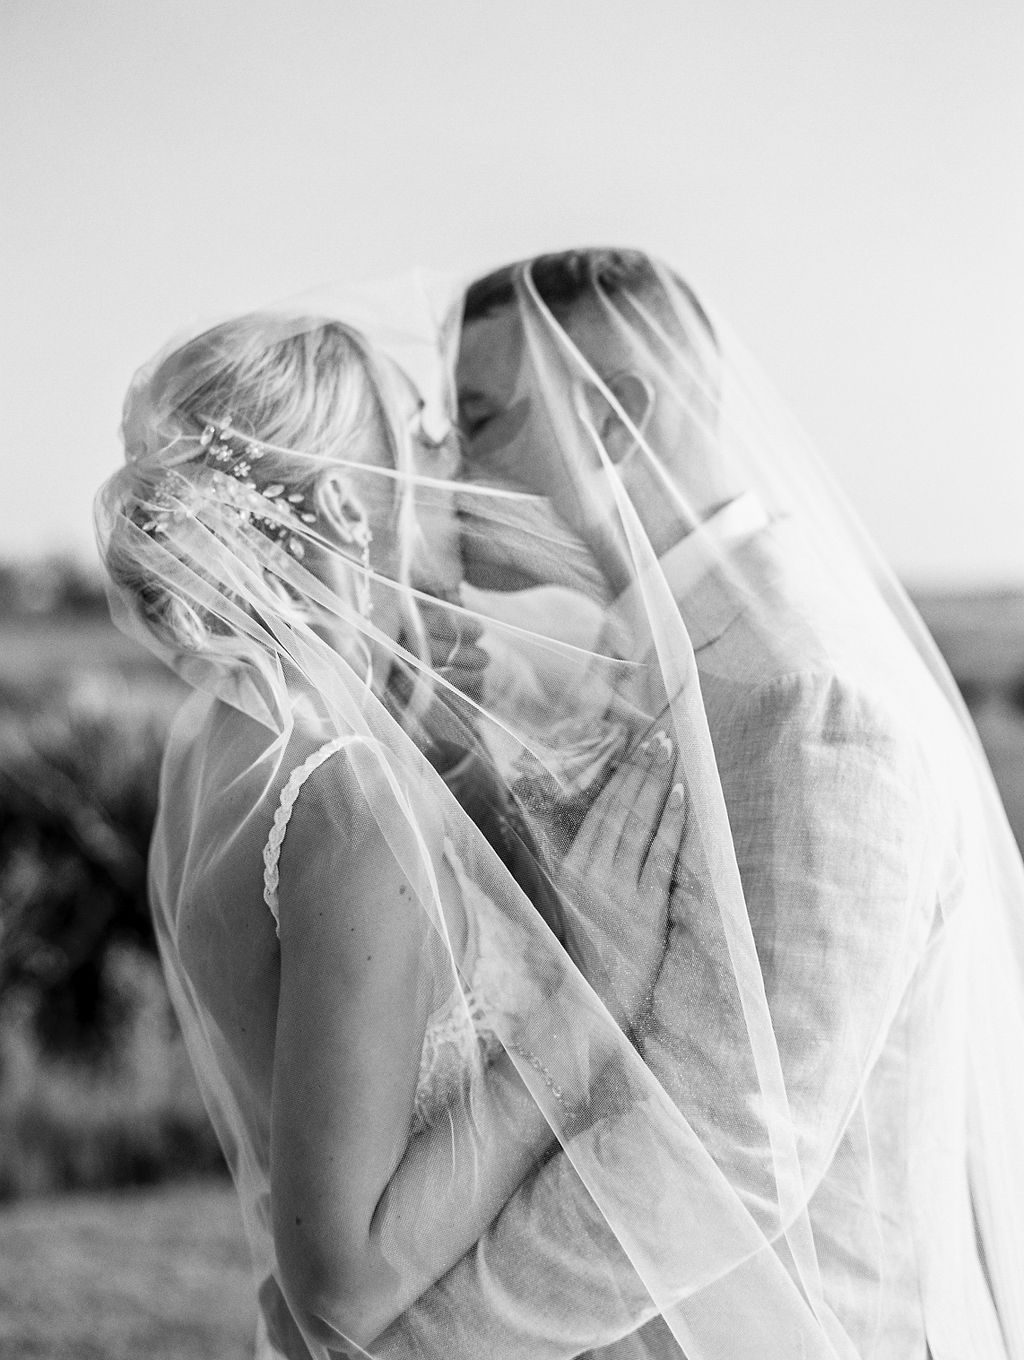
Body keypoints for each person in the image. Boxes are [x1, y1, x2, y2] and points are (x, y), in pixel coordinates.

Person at [369, 250, 1024, 1359]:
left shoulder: (807, 699)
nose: (448, 465)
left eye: (479, 417)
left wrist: (417, 1344)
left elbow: (734, 1146)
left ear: (615, 415)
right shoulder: (661, 651)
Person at [95, 311, 691, 1359]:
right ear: (338, 505)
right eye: (420, 433)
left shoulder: (214, 740)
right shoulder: (345, 799)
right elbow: (342, 1281)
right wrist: (590, 1006)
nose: (445, 461)